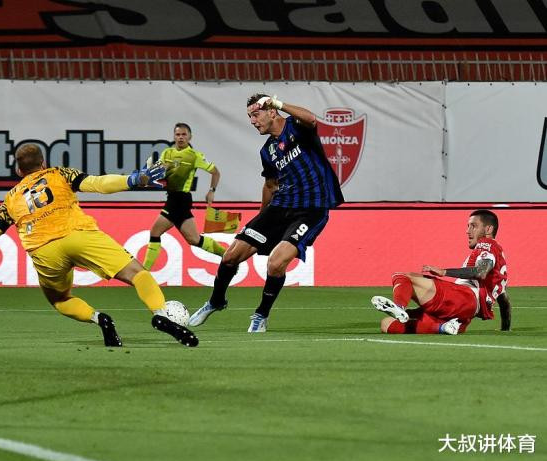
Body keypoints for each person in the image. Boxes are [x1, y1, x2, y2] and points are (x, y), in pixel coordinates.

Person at [0, 143, 198, 347]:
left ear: (18, 170)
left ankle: (99, 318)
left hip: (43, 250)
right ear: (43, 163)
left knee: (60, 300)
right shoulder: (59, 174)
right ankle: (160, 314)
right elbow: (98, 184)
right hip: (78, 234)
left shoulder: (10, 199)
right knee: (137, 273)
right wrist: (133, 180)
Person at [188, 94, 344, 332]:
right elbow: (270, 185)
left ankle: (261, 315)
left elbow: (312, 119)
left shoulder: (296, 127)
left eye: (256, 114)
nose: (252, 121)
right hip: (279, 208)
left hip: (311, 210)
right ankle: (216, 301)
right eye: (249, 116)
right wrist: (260, 218)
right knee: (230, 256)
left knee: (276, 264)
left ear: (271, 112)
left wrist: (279, 103)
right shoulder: (267, 150)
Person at [371, 209, 511, 335]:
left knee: (402, 276)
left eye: (473, 226)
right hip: (463, 315)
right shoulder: (499, 267)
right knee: (387, 324)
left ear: (488, 229)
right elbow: (504, 302)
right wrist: (505, 329)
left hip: (464, 299)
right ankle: (443, 327)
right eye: (468, 226)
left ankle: (399, 307)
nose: (468, 231)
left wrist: (444, 272)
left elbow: (481, 271)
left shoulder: (487, 244)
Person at [142, 122, 225, 270]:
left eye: (184, 134)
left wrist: (211, 190)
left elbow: (215, 172)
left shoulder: (194, 156)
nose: (180, 137)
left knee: (155, 232)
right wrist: (150, 177)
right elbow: (160, 172)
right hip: (173, 197)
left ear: (190, 137)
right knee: (194, 239)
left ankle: (144, 271)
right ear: (174, 137)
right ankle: (227, 255)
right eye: (178, 134)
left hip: (180, 199)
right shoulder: (167, 153)